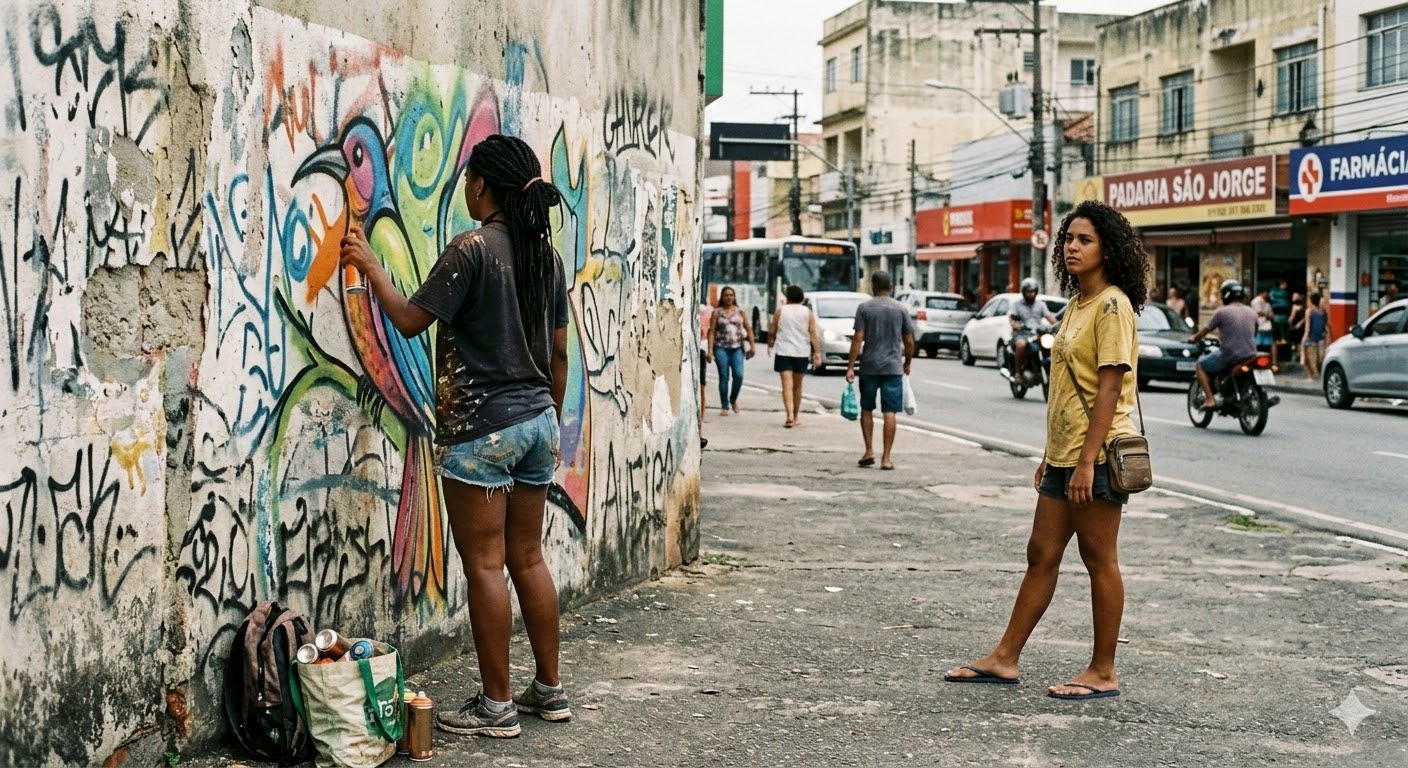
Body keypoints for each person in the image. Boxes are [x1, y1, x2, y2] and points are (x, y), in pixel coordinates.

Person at [340, 134, 571, 738]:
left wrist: (370, 267)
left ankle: (496, 707)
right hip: (539, 422)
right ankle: (549, 691)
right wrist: (546, 415)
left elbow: (412, 319)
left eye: (470, 180)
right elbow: (561, 352)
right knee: (529, 557)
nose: (465, 189)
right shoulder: (545, 257)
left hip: (482, 430)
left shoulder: (471, 249)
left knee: (486, 566)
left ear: (485, 187)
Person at [943, 199, 1147, 700]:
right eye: (1069, 240)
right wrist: (1051, 452)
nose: (1072, 248)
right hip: (1065, 454)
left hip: (1095, 458)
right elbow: (1066, 387)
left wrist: (1083, 461)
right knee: (1041, 554)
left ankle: (1103, 670)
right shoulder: (1077, 304)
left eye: (1085, 240)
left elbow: (1108, 389)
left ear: (1108, 249)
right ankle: (1005, 657)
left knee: (1099, 559)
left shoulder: (1112, 305)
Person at [845, 271, 914, 471]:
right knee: (890, 412)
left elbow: (858, 338)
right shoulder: (900, 308)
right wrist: (907, 362)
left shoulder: (864, 308)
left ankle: (869, 451)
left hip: (869, 366)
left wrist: (850, 366)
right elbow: (909, 341)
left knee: (867, 409)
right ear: (890, 286)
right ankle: (887, 458)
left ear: (873, 285)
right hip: (893, 367)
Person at [1188, 279, 1259, 411]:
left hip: (1230, 356)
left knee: (1200, 365)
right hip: (1251, 354)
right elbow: (1255, 332)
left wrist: (1193, 338)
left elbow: (1205, 330)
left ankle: (1210, 399)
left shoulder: (1221, 312)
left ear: (1225, 295)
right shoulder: (1252, 312)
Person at [767, 284, 822, 427]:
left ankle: (789, 415)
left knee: (786, 386)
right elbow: (812, 333)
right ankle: (796, 416)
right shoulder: (807, 312)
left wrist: (770, 344)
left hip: (783, 351)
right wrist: (816, 352)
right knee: (797, 387)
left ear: (788, 297)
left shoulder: (781, 311)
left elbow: (772, 330)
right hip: (801, 353)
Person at [706, 286, 755, 416]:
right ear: (722, 297)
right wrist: (710, 350)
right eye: (726, 295)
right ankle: (724, 405)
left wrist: (752, 346)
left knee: (738, 375)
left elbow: (748, 329)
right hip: (721, 347)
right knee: (724, 376)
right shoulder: (717, 312)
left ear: (734, 297)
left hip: (737, 348)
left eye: (731, 295)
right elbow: (711, 331)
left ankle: (733, 399)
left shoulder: (740, 312)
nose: (729, 297)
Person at [1008, 277, 1057, 379]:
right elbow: (1011, 319)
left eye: (1033, 292)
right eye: (1028, 292)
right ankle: (1018, 373)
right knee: (1021, 344)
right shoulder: (1016, 305)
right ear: (1023, 292)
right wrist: (1016, 325)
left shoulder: (1041, 305)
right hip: (1021, 334)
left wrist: (1058, 326)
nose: (1031, 294)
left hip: (1037, 334)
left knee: (1052, 344)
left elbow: (1050, 318)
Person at [1302, 292, 1330, 379]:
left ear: (1311, 301)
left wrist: (1305, 338)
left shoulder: (1309, 311)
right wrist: (1327, 336)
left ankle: (1313, 374)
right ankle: (1317, 372)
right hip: (1321, 337)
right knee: (1321, 356)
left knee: (1311, 357)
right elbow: (1325, 325)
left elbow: (1308, 327)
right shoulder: (1324, 312)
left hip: (1311, 337)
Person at [698, 299, 714, 447]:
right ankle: (698, 430)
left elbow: (709, 332)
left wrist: (709, 351)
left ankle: (699, 429)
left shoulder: (706, 311)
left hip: (699, 349)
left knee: (701, 389)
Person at [1250, 287, 1275, 367]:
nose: (1267, 294)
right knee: (1258, 345)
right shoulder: (1257, 301)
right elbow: (1258, 313)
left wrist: (1265, 315)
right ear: (1262, 293)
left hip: (1265, 326)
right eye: (1266, 292)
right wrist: (1266, 315)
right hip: (1259, 325)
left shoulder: (1267, 304)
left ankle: (1267, 362)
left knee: (1266, 345)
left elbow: (1271, 315)